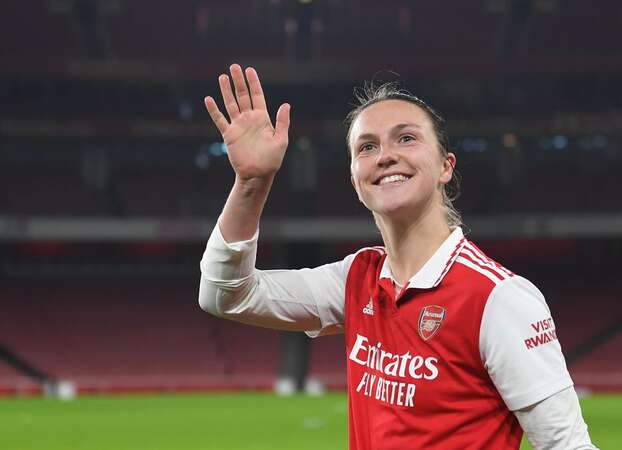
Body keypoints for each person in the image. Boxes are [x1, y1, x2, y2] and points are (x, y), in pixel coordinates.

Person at [198, 64, 598, 450]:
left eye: (406, 138)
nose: (385, 155)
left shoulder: (498, 298)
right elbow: (225, 295)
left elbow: (568, 444)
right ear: (355, 180)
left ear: (445, 166)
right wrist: (252, 183)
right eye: (367, 146)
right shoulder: (357, 278)